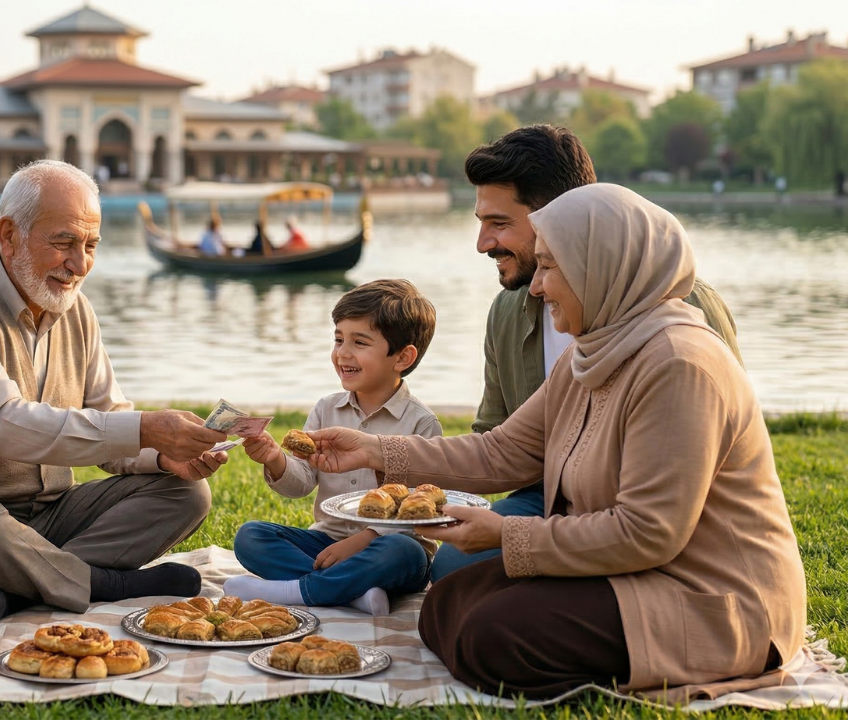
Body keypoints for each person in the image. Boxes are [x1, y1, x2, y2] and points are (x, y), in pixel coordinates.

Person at [307, 184, 806, 698]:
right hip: (623, 573)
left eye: (549, 268)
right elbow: (501, 451)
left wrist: (506, 535)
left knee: (491, 633)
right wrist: (374, 449)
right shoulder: (590, 353)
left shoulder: (678, 363)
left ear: (601, 265)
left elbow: (648, 533)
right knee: (445, 603)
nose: (537, 288)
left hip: (707, 596)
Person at [0, 160, 227, 621]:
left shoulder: (76, 309)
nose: (80, 263)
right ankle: (101, 583)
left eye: (91, 245)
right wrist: (145, 428)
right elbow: (6, 425)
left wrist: (162, 454)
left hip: (53, 515)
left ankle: (19, 588)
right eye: (64, 242)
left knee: (187, 493)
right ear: (8, 235)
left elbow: (111, 416)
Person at [428, 125, 743, 582]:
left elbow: (714, 448)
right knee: (456, 572)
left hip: (658, 508)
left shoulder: (687, 310)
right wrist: (379, 458)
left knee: (493, 610)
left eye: (498, 224)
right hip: (548, 496)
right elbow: (496, 440)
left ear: (561, 219)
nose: (482, 244)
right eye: (480, 223)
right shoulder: (508, 311)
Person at [227, 280, 440, 616]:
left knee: (403, 551)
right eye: (339, 339)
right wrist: (275, 459)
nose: (343, 353)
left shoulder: (421, 425)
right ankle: (352, 593)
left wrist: (362, 540)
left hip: (385, 547)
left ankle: (301, 589)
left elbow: (417, 512)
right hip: (326, 541)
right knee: (250, 536)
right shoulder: (326, 409)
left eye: (360, 342)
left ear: (402, 357)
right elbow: (301, 483)